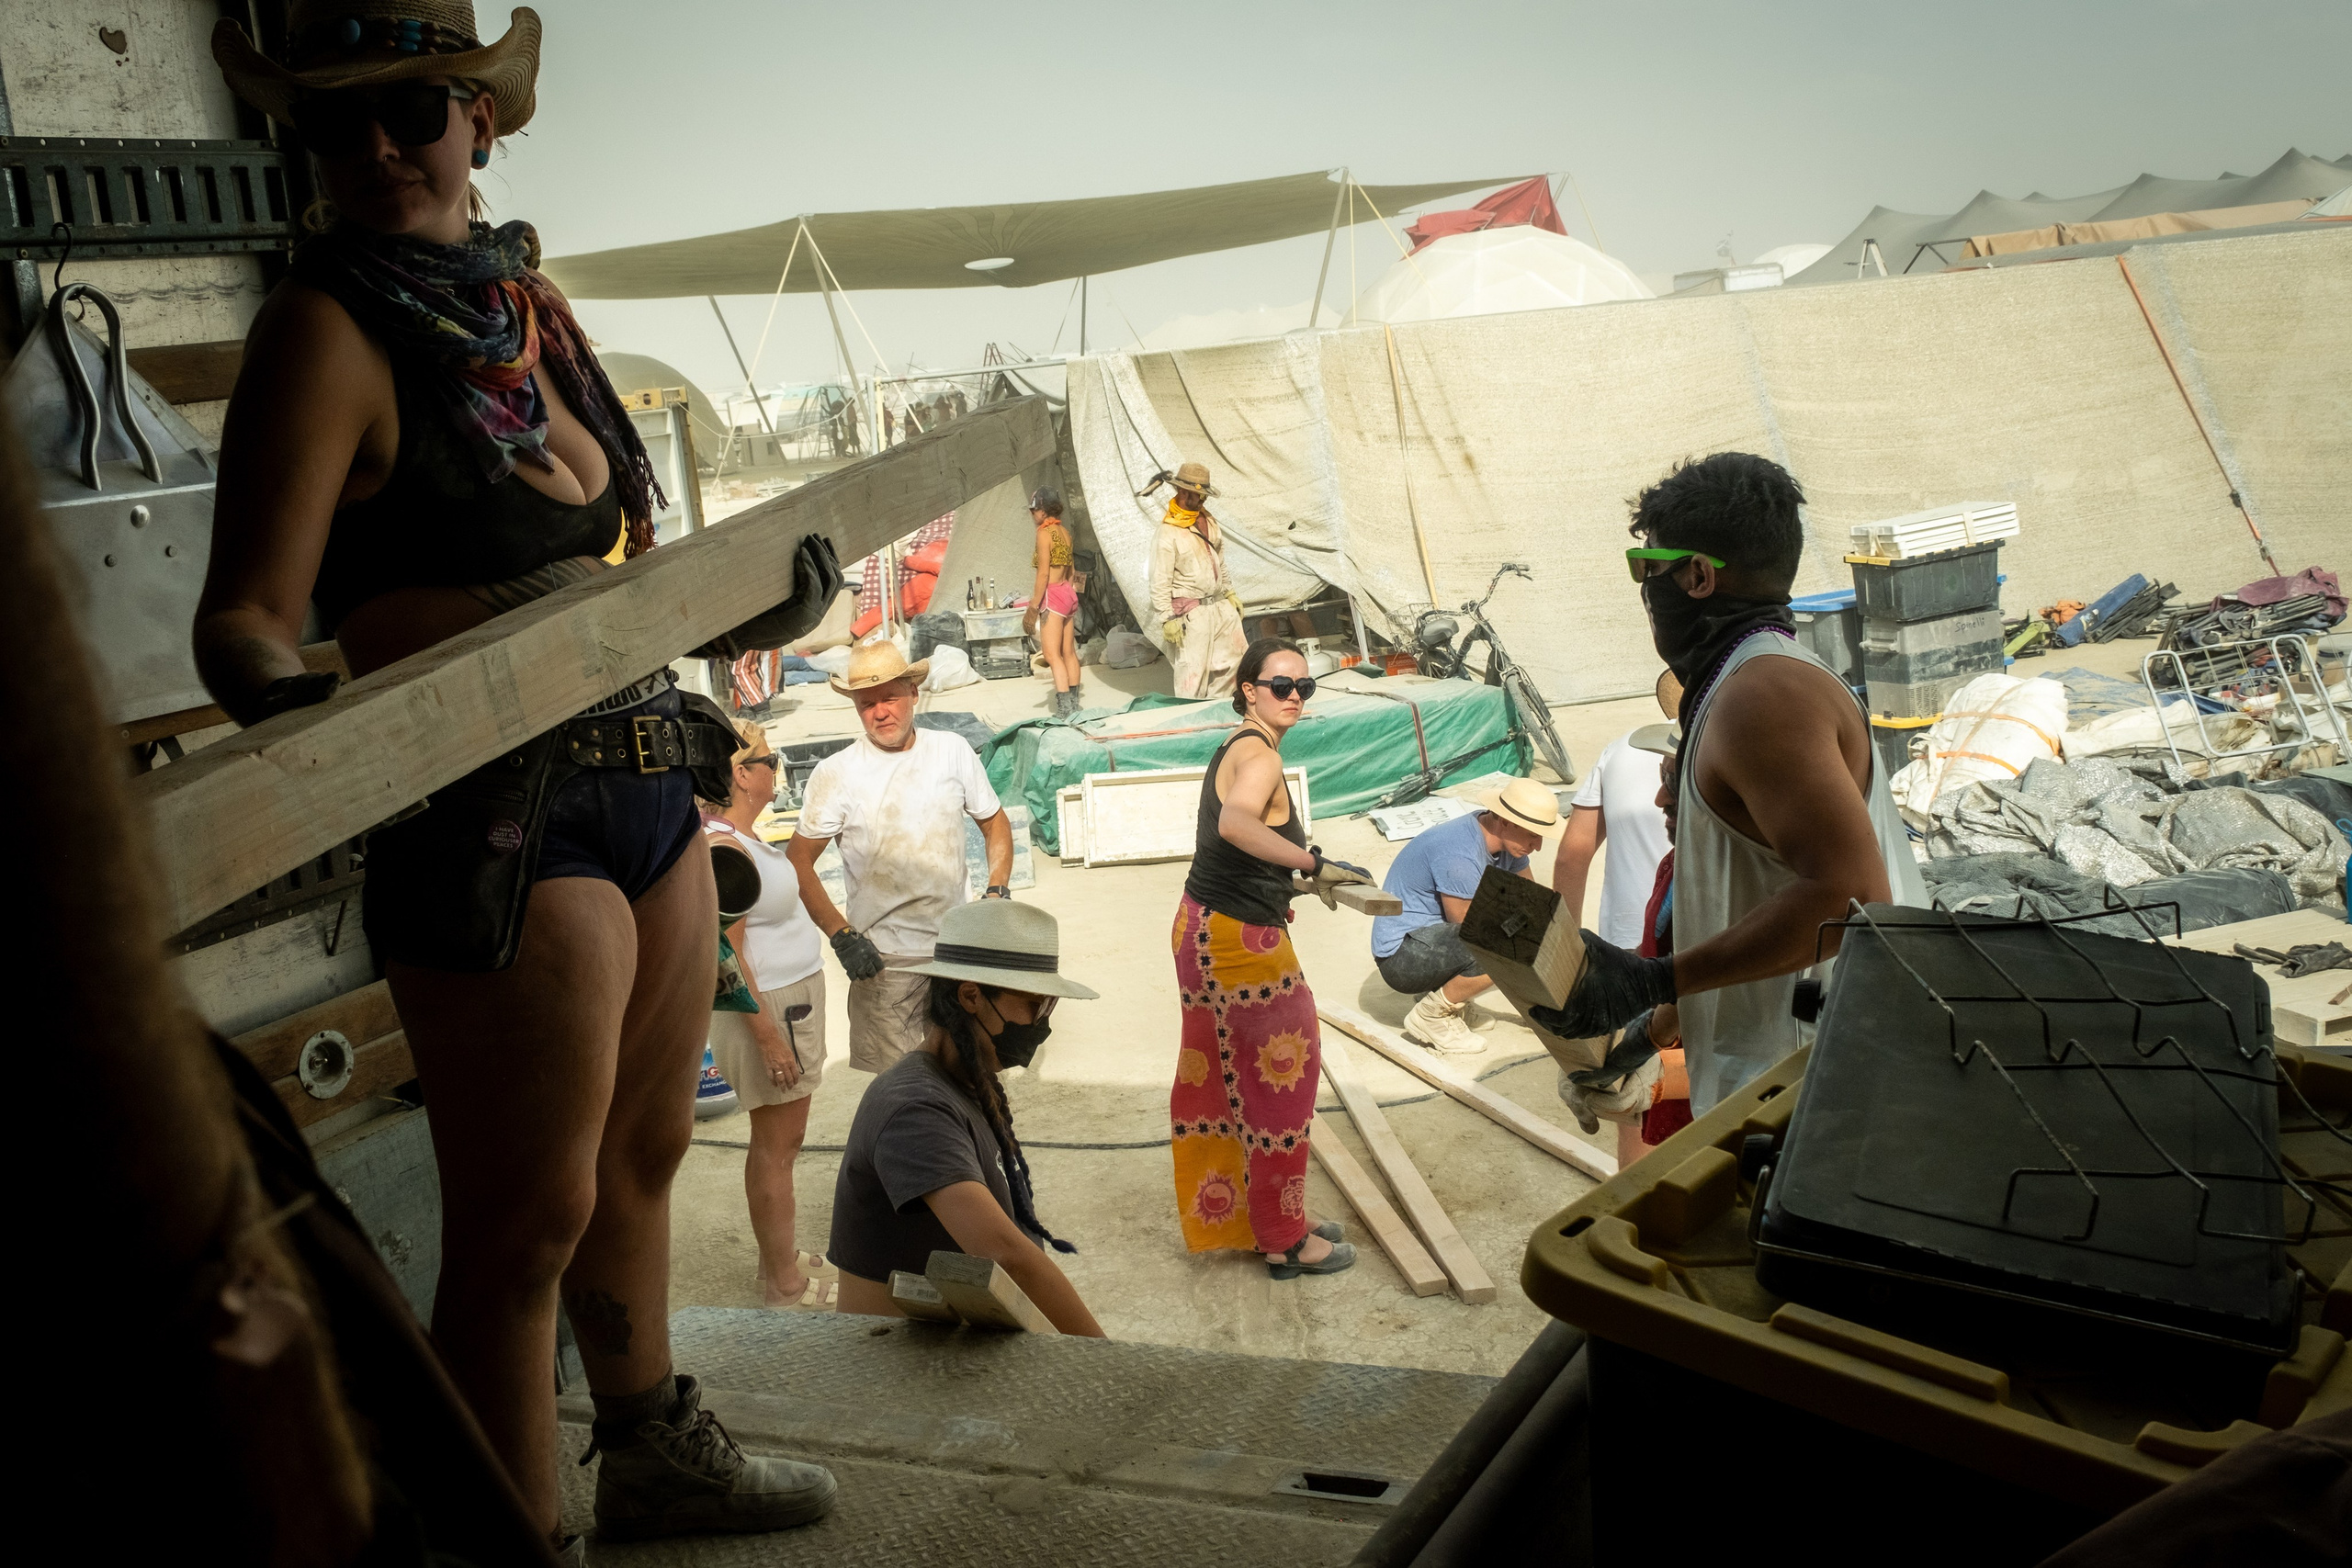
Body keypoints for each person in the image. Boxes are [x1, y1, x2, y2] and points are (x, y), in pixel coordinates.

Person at [194, 4, 837, 1549]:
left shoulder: (527, 309)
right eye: (333, 124)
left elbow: (627, 567)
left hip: (640, 781)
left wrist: (753, 607)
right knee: (521, 1221)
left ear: (483, 115)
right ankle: (512, 1535)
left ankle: (654, 1450)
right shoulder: (326, 329)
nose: (376, 148)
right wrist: (329, 708)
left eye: (410, 106)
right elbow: (245, 623)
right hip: (488, 825)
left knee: (644, 1154)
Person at [1531, 454, 1926, 1116]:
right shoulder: (1748, 686)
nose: (1645, 587)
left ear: (1698, 574)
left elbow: (1850, 897)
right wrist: (1646, 1036)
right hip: (1797, 1082)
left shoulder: (1765, 695)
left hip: (1833, 1096)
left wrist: (1655, 976)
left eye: (1647, 567)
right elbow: (1757, 902)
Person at [1170, 638, 1373, 1279]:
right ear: (1248, 689)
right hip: (1235, 942)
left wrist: (1302, 878)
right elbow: (1235, 824)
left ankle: (1269, 1215)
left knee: (1233, 1086)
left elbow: (1241, 844)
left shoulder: (1242, 744)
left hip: (1206, 927)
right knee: (1283, 1083)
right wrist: (1313, 861)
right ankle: (1283, 1239)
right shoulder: (1257, 756)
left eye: (1303, 687)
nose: (1293, 696)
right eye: (1280, 684)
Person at [830, 900, 1107, 1335]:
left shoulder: (966, 1082)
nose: (1041, 1024)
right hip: (894, 1367)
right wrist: (1107, 1365)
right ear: (971, 996)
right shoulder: (913, 1111)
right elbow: (1005, 1254)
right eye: (1033, 1006)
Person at [788, 642, 1013, 1072]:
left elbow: (994, 822)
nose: (880, 712)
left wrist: (996, 891)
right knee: (903, 1092)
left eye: (889, 697)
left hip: (958, 958)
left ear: (913, 692)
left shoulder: (951, 750)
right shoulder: (836, 773)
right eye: (866, 703)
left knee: (973, 1078)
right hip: (886, 968)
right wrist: (841, 936)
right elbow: (797, 863)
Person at [701, 717, 835, 1311]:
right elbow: (723, 949)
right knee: (777, 1144)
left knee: (782, 1138)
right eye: (769, 761)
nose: (776, 770)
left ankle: (774, 1261)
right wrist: (765, 1035)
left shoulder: (738, 838)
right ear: (741, 773)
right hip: (772, 1007)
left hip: (784, 1001)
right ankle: (783, 1283)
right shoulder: (725, 846)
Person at [1370, 778, 1560, 1054]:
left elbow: (1533, 902)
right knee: (1505, 941)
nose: (1538, 845)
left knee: (1523, 929)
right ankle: (1433, 1014)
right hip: (1401, 959)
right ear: (1505, 821)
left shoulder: (1503, 841)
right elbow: (1468, 926)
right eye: (1533, 834)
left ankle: (1452, 998)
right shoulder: (1459, 853)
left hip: (1430, 940)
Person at [1554, 671, 1678, 950]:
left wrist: (1568, 951)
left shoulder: (1623, 746)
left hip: (1621, 947)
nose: (1660, 798)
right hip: (1698, 957)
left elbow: (1571, 856)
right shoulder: (1730, 752)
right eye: (1666, 777)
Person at [1146, 461, 1249, 700]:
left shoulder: (1208, 520)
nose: (1203, 501)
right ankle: (1190, 726)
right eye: (1198, 496)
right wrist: (1166, 617)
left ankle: (1219, 714)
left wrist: (1230, 593)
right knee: (1192, 674)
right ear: (1183, 492)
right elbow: (1159, 580)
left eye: (1204, 497)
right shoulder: (1167, 532)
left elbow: (1220, 561)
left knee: (1233, 665)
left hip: (1219, 606)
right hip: (1192, 614)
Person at [1023, 486, 1083, 716]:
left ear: (1042, 511)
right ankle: (1075, 705)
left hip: (1053, 596)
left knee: (1051, 655)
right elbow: (1072, 571)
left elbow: (1044, 575)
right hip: (1069, 593)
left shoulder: (1044, 533)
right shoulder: (1065, 532)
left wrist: (1032, 607)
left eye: (1033, 511)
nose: (1032, 516)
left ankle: (1065, 711)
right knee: (1069, 652)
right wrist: (1074, 597)